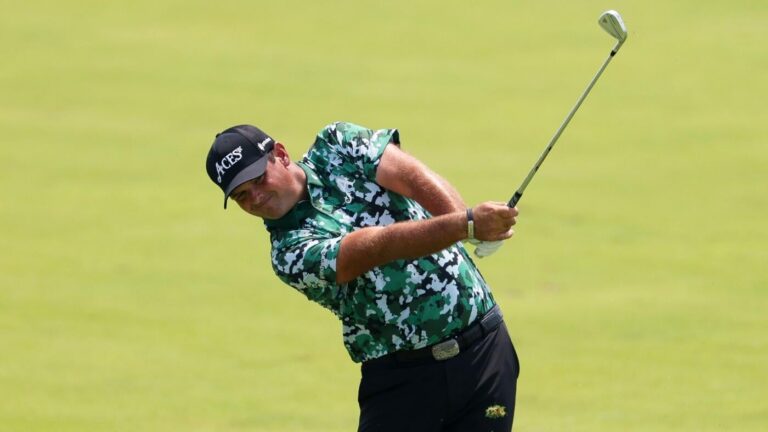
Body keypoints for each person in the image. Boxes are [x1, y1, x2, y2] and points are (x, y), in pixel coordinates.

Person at [205, 121, 521, 431]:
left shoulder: (337, 143)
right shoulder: (289, 254)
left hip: (485, 349)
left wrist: (466, 224)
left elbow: (410, 177)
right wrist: (464, 225)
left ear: (281, 154)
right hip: (404, 381)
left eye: (258, 180)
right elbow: (377, 247)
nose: (255, 198)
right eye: (241, 196)